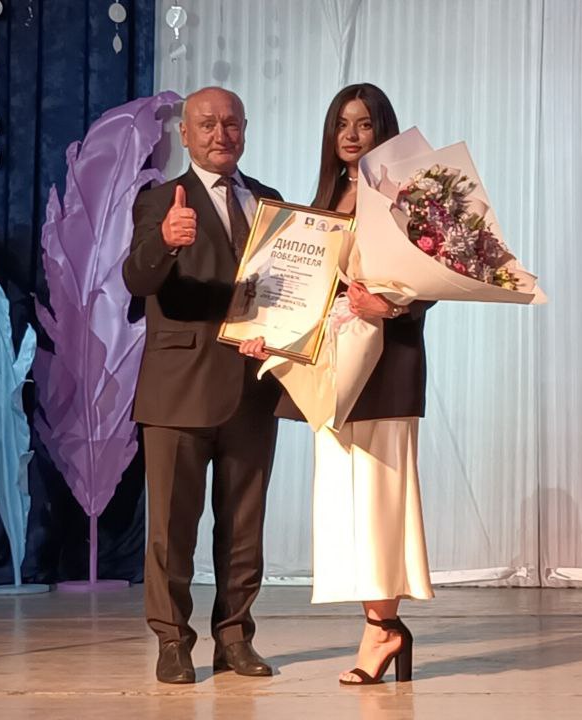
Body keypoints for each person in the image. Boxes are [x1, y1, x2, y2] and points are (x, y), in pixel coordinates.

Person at [239, 83, 433, 686]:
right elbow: (301, 292)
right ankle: (380, 625)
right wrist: (265, 333)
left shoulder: (405, 197)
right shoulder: (322, 201)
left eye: (364, 124)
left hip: (388, 367)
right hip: (330, 368)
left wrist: (393, 306)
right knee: (343, 505)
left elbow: (434, 275)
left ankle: (382, 628)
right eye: (342, 124)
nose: (351, 135)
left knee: (380, 502)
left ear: (383, 131)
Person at [124, 86, 283, 685]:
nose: (221, 134)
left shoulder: (268, 201)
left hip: (252, 386)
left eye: (231, 123)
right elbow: (137, 277)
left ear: (245, 130)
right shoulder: (161, 199)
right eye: (208, 124)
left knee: (244, 527)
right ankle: (172, 641)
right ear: (185, 135)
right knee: (172, 528)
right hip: (179, 388)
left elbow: (287, 288)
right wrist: (166, 240)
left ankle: (235, 639)